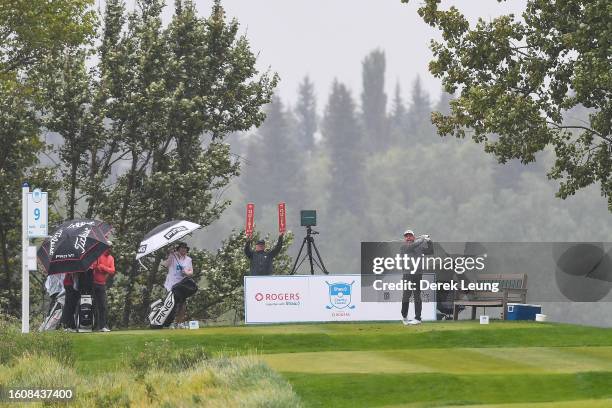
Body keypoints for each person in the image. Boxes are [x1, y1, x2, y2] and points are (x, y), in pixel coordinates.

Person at [400, 229, 432, 325]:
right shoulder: (404, 247)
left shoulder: (419, 247)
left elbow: (430, 251)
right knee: (406, 295)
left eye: (410, 236)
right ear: (405, 238)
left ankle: (418, 318)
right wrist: (422, 239)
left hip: (418, 274)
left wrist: (429, 242)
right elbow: (411, 247)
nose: (408, 237)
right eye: (406, 236)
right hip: (407, 274)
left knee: (417, 295)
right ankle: (404, 316)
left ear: (414, 237)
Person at [162, 242, 195, 329]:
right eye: (181, 248)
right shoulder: (173, 256)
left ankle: (180, 323)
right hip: (172, 284)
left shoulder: (188, 259)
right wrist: (170, 254)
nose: (183, 249)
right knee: (172, 305)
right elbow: (165, 265)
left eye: (185, 248)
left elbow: (191, 272)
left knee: (182, 304)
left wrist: (186, 273)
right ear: (178, 249)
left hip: (182, 285)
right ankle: (169, 323)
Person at [92, 243, 115, 332]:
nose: (110, 249)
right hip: (93, 283)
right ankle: (93, 325)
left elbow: (112, 270)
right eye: (108, 247)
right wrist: (100, 267)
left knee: (103, 306)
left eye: (111, 247)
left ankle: (102, 326)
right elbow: (94, 266)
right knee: (93, 305)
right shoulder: (98, 256)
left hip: (102, 284)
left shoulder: (111, 258)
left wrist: (102, 267)